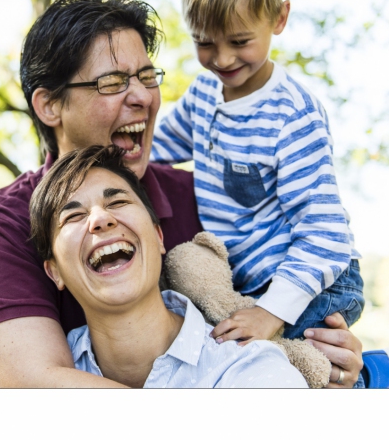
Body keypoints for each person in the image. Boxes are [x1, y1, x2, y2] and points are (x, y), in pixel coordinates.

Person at [0, 0, 363, 388]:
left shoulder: (199, 197)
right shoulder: (3, 226)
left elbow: (254, 314)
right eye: (113, 82)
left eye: (146, 77)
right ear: (50, 105)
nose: (143, 97)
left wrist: (319, 358)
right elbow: (32, 383)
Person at [151, 0, 365, 354]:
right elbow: (155, 147)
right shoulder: (203, 96)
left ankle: (377, 377)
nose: (223, 60)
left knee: (284, 362)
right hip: (253, 284)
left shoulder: (292, 115)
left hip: (315, 279)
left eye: (239, 41)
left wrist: (272, 312)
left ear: (279, 18)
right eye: (204, 42)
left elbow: (323, 232)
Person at [30, 144, 307, 388]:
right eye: (75, 216)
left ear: (158, 237)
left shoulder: (251, 372)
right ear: (54, 271)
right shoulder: (35, 385)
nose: (101, 219)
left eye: (117, 201)